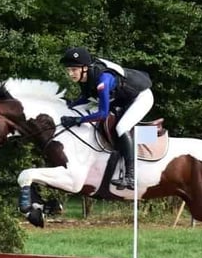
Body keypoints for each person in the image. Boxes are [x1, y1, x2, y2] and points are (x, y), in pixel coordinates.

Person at [59, 46, 154, 190]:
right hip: (123, 99)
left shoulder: (103, 80)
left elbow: (102, 114)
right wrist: (71, 105)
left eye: (74, 70)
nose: (71, 73)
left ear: (85, 68)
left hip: (141, 97)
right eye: (69, 70)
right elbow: (86, 98)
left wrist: (77, 120)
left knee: (121, 127)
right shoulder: (86, 77)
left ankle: (130, 176)